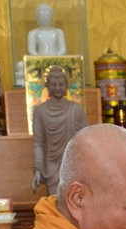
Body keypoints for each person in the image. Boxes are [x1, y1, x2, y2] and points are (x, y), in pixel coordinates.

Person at [32, 65, 87, 195]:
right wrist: (38, 169)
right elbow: (38, 143)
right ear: (47, 86)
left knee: (73, 195)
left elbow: (86, 140)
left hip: (73, 161)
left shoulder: (76, 109)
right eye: (53, 84)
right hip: (51, 161)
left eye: (61, 84)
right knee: (55, 198)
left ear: (67, 86)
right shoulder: (40, 111)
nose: (57, 88)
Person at [15, 2, 67, 86]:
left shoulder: (58, 32)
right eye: (42, 15)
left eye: (47, 15)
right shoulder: (33, 33)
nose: (44, 18)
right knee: (20, 65)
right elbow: (32, 51)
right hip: (39, 61)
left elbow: (62, 50)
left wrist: (54, 59)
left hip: (56, 61)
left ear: (52, 16)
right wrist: (40, 60)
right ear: (37, 17)